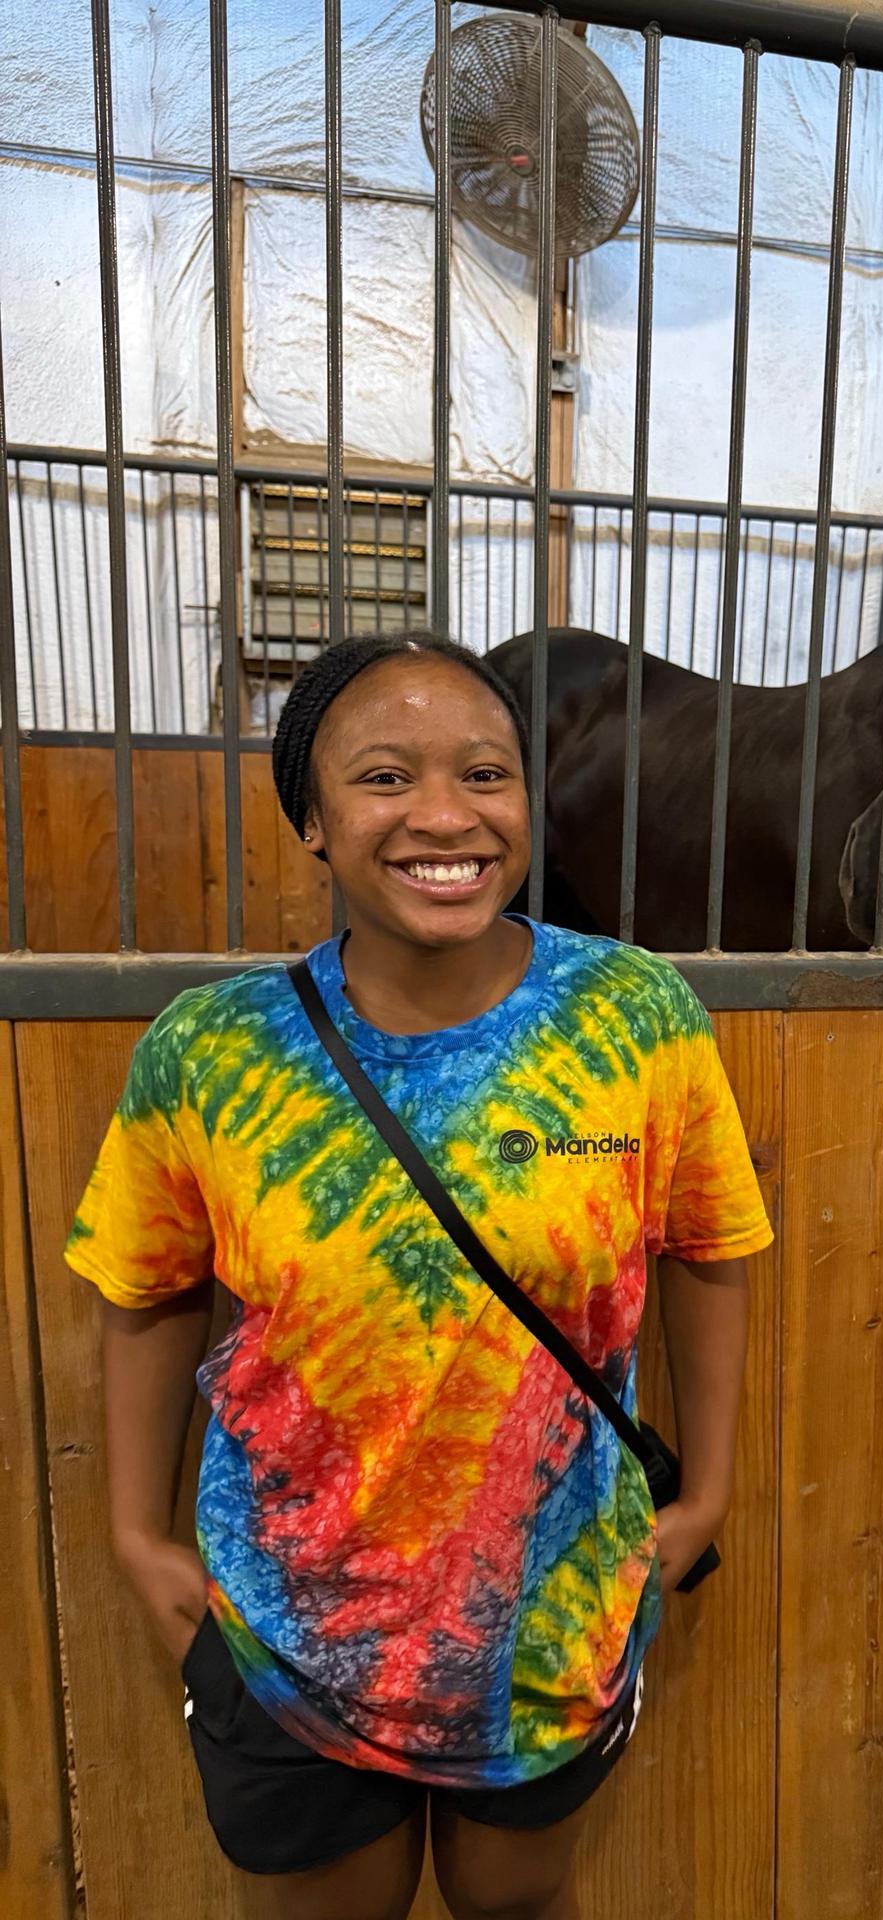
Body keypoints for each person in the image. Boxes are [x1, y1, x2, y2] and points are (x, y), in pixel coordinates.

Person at [66, 630, 773, 1920]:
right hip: (289, 1620)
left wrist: (712, 1491)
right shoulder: (210, 1052)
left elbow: (711, 1248)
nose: (444, 816)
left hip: (550, 1610)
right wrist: (132, 1530)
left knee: (517, 1901)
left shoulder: (636, 1017)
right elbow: (150, 1288)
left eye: (485, 774)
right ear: (314, 822)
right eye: (385, 778)